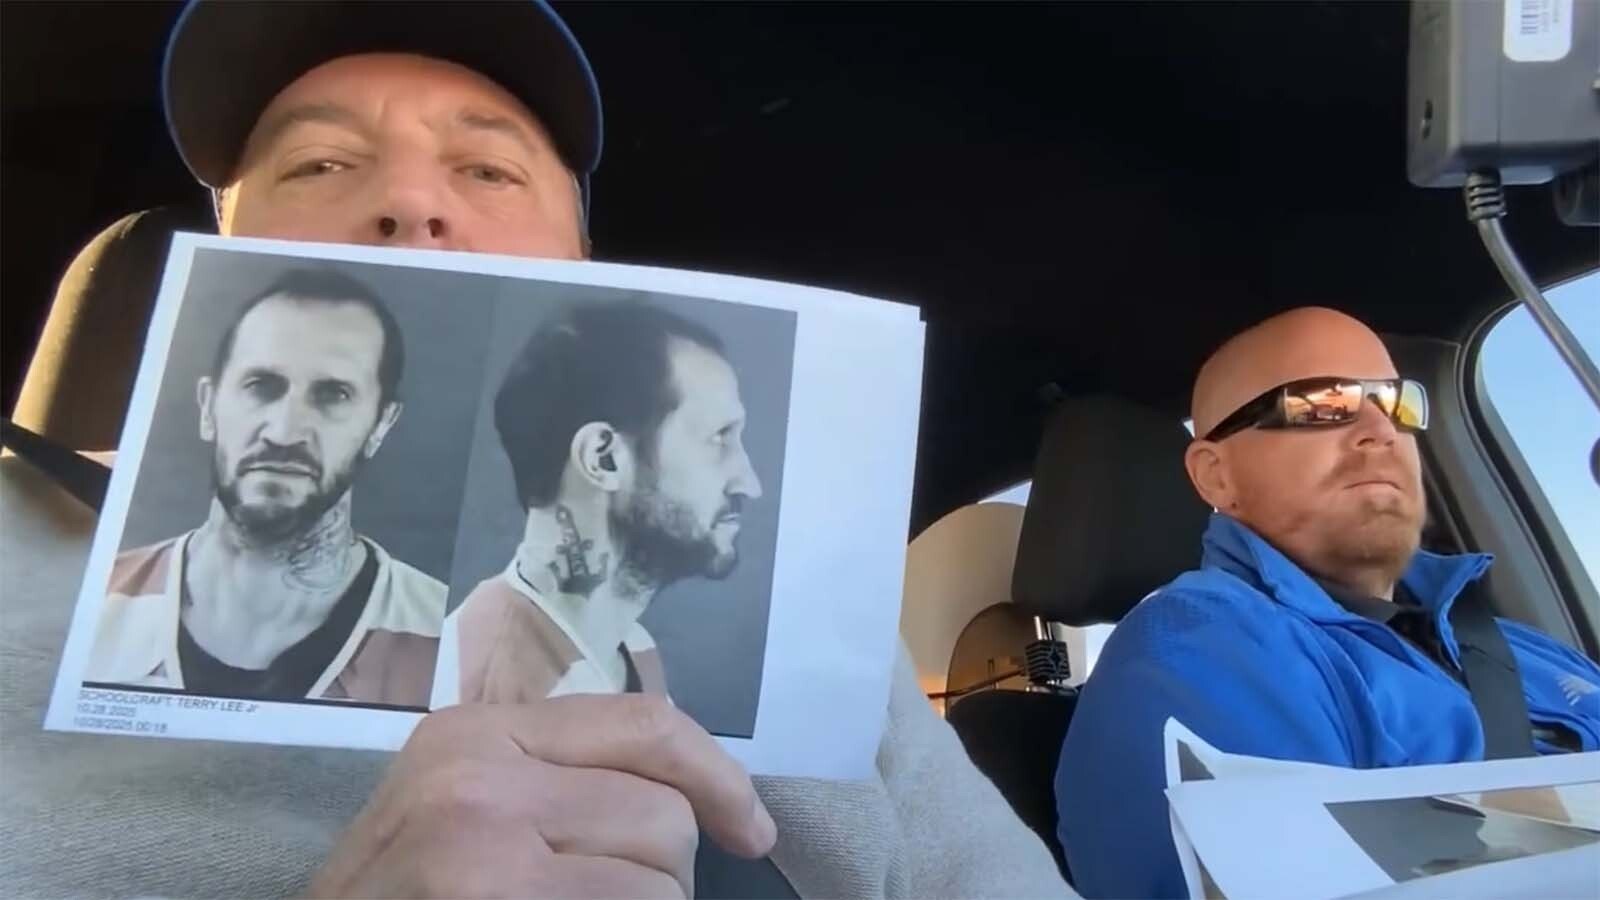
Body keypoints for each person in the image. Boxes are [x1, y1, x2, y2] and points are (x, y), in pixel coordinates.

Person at [0, 2, 1073, 898]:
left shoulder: (828, 647)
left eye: (489, 171)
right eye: (321, 163)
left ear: (581, 257)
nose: (413, 201)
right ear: (228, 254)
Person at [1054, 306, 1600, 899]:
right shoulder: (1197, 651)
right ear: (1216, 476)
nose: (1381, 430)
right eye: (1322, 402)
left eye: (1396, 404)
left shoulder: (1525, 646)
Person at [89, 268, 445, 706]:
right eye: (261, 386)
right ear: (208, 407)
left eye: (333, 395)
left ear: (380, 426)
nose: (284, 432)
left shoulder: (447, 639)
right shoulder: (94, 604)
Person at [449, 303, 763, 703]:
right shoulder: (487, 691)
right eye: (720, 437)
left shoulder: (630, 648)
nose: (750, 484)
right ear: (604, 458)